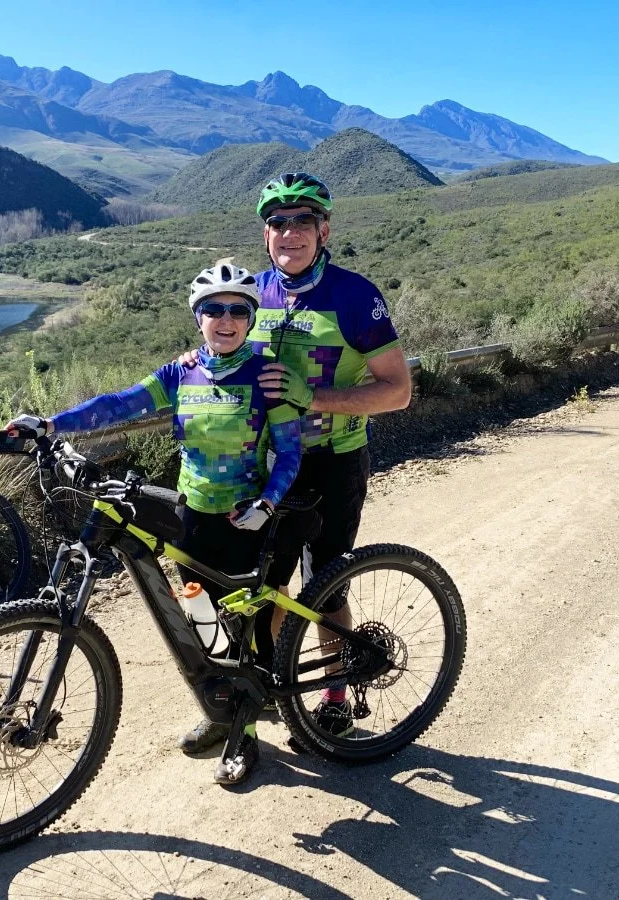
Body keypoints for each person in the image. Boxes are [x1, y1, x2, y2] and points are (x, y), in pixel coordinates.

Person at [7, 261, 304, 786]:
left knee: (246, 629)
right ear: (199, 319)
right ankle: (224, 712)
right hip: (192, 515)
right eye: (214, 309)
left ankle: (245, 734)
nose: (226, 319)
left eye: (238, 309)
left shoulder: (268, 376)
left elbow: (289, 452)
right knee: (201, 618)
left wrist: (268, 503)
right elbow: (120, 403)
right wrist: (53, 423)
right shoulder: (182, 372)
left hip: (247, 521)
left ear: (252, 316)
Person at [188, 172, 413, 744]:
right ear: (266, 234)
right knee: (255, 585)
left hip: (334, 460)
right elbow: (220, 349)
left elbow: (397, 390)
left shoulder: (355, 296)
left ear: (323, 229)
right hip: (264, 465)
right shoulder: (250, 293)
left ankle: (335, 694)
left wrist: (313, 397)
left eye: (302, 221)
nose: (290, 232)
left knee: (325, 582)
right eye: (278, 222)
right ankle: (245, 704)